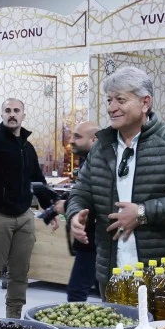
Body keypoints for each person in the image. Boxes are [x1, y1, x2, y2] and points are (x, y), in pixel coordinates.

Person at [67, 68, 165, 291]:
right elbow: (81, 191)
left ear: (145, 103)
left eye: (120, 100)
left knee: (162, 327)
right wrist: (75, 213)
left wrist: (142, 213)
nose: (112, 108)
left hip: (163, 271)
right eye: (109, 100)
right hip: (112, 270)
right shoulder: (101, 146)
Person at [0, 98, 57, 318]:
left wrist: (50, 211)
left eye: (16, 110)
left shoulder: (27, 148)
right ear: (2, 114)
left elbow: (37, 181)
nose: (12, 114)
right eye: (7, 110)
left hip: (24, 217)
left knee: (20, 272)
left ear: (23, 115)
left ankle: (14, 318)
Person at [62, 121, 100, 302]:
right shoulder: (89, 162)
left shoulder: (100, 165)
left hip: (96, 239)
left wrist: (66, 207)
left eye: (77, 136)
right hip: (90, 237)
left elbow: (95, 200)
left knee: (77, 292)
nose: (71, 141)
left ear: (94, 140)